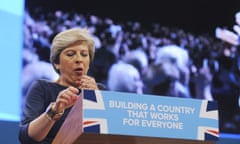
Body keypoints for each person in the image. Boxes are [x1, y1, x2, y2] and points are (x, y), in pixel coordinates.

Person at [19, 27, 100, 143]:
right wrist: (54, 112)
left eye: (84, 54)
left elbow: (113, 136)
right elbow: (26, 136)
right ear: (57, 63)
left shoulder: (99, 90)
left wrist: (99, 101)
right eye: (71, 54)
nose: (79, 60)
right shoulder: (42, 88)